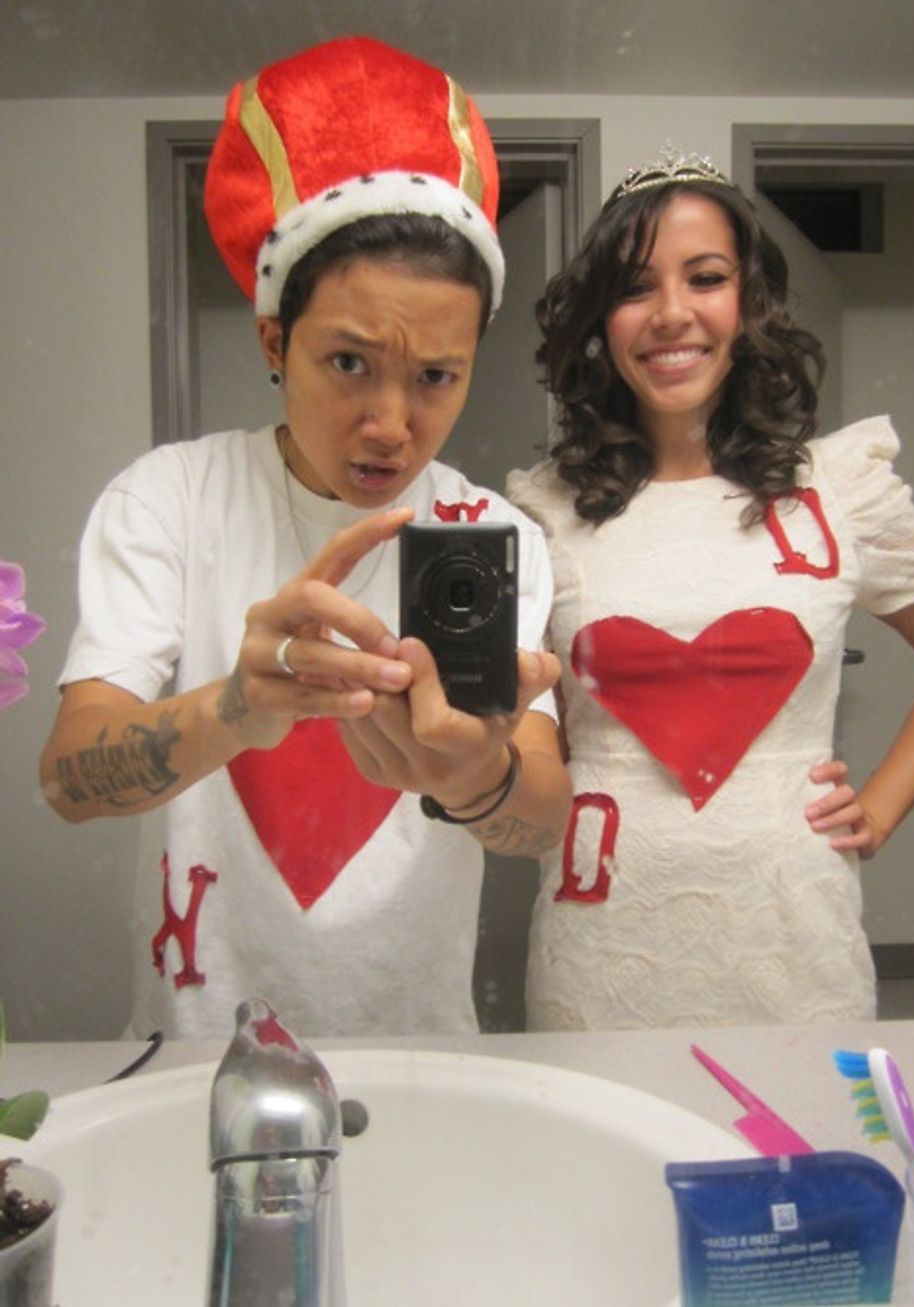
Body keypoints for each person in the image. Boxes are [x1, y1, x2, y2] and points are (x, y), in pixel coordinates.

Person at [39, 36, 569, 1040]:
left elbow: (541, 820)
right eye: (349, 362)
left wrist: (475, 778)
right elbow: (68, 779)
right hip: (198, 1054)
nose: (390, 424)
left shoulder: (489, 534)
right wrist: (237, 707)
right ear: (275, 340)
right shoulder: (173, 499)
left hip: (422, 1051)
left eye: (435, 376)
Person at [507, 146, 914, 1029]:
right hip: (600, 943)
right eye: (635, 286)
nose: (671, 313)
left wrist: (882, 806)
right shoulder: (544, 512)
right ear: (602, 317)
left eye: (706, 278)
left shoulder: (838, 492)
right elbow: (533, 732)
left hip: (793, 936)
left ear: (749, 300)